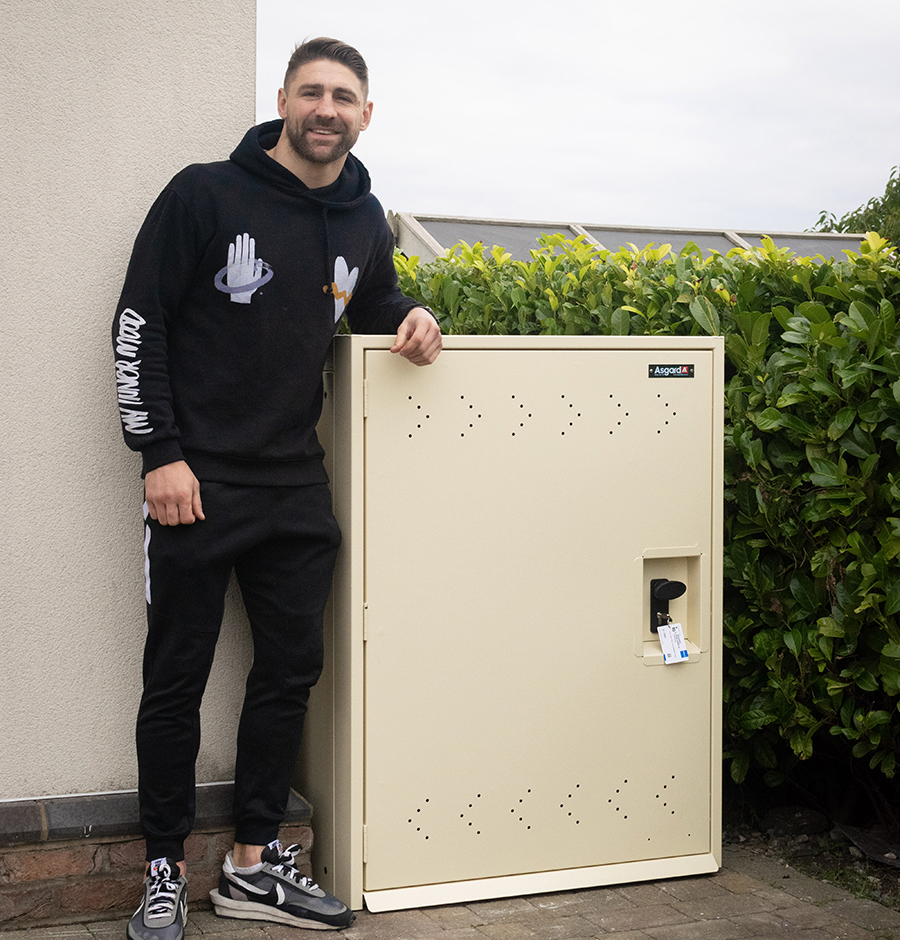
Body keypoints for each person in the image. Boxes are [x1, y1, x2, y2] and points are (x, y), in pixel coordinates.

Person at [113, 36, 441, 940]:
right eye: (311, 92)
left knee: (290, 672)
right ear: (284, 102)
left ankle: (253, 866)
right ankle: (164, 873)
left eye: (343, 96)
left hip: (297, 486)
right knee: (175, 679)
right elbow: (138, 323)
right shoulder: (204, 192)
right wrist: (159, 456)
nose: (325, 108)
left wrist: (409, 315)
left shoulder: (365, 218)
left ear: (364, 114)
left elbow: (366, 301)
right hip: (197, 482)